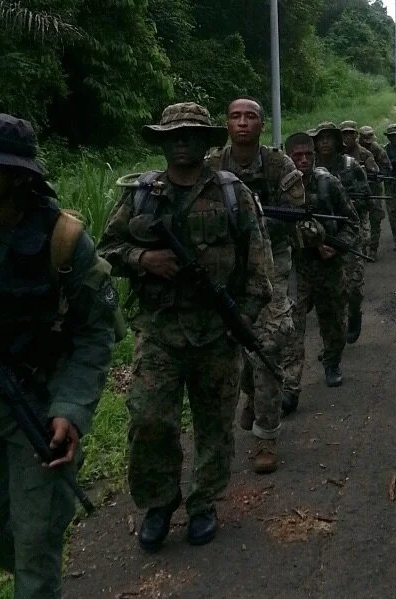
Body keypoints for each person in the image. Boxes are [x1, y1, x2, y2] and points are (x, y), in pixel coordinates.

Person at [99, 102, 273, 552]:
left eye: (191, 135)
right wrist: (144, 259)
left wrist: (243, 321)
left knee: (214, 424)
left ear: (203, 141)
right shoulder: (141, 193)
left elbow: (258, 266)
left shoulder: (232, 193)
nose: (182, 142)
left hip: (216, 333)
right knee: (149, 420)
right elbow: (106, 251)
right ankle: (159, 504)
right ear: (162, 142)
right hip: (159, 331)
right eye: (173, 135)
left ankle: (203, 504)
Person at [0, 113, 119, 599]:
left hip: (36, 414)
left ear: (16, 175)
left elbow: (95, 333)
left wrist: (72, 407)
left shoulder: (62, 241)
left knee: (36, 547)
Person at [206, 97, 305, 474]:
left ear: (262, 125)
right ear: (227, 124)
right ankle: (250, 392)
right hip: (225, 268)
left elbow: (295, 212)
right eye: (235, 116)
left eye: (250, 117)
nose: (243, 122)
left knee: (268, 344)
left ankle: (266, 435)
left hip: (271, 266)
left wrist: (254, 223)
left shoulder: (280, 165)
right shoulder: (212, 165)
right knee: (232, 344)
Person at [282, 132, 359, 397]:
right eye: (297, 156)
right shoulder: (279, 188)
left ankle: (332, 361)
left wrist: (336, 246)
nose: (304, 161)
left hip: (328, 266)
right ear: (287, 157)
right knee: (292, 327)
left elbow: (352, 222)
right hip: (295, 266)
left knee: (334, 320)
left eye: (309, 155)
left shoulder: (329, 184)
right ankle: (290, 386)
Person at [309, 121, 370, 345]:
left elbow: (365, 198)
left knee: (353, 287)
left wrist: (343, 204)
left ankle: (354, 318)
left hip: (348, 233)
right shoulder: (307, 166)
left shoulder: (350, 165)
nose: (324, 142)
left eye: (328, 137)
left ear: (337, 141)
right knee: (328, 295)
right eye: (319, 138)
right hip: (318, 236)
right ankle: (332, 342)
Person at [358, 125, 393, 259]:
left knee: (375, 218)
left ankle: (373, 248)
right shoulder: (353, 150)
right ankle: (361, 248)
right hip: (357, 189)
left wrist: (377, 175)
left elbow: (387, 166)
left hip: (374, 188)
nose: (367, 142)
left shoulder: (377, 149)